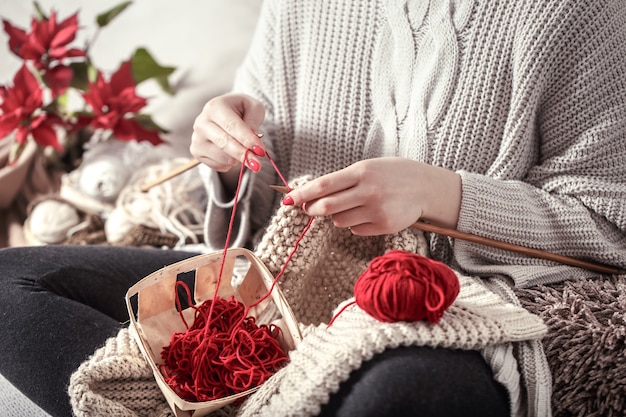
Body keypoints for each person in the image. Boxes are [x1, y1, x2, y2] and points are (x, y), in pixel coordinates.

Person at [1, 0, 625, 416]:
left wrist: (440, 195)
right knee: (9, 284)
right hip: (280, 284)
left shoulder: (575, 15)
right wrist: (226, 155)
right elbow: (262, 193)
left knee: (399, 394)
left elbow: (608, 222)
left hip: (442, 296)